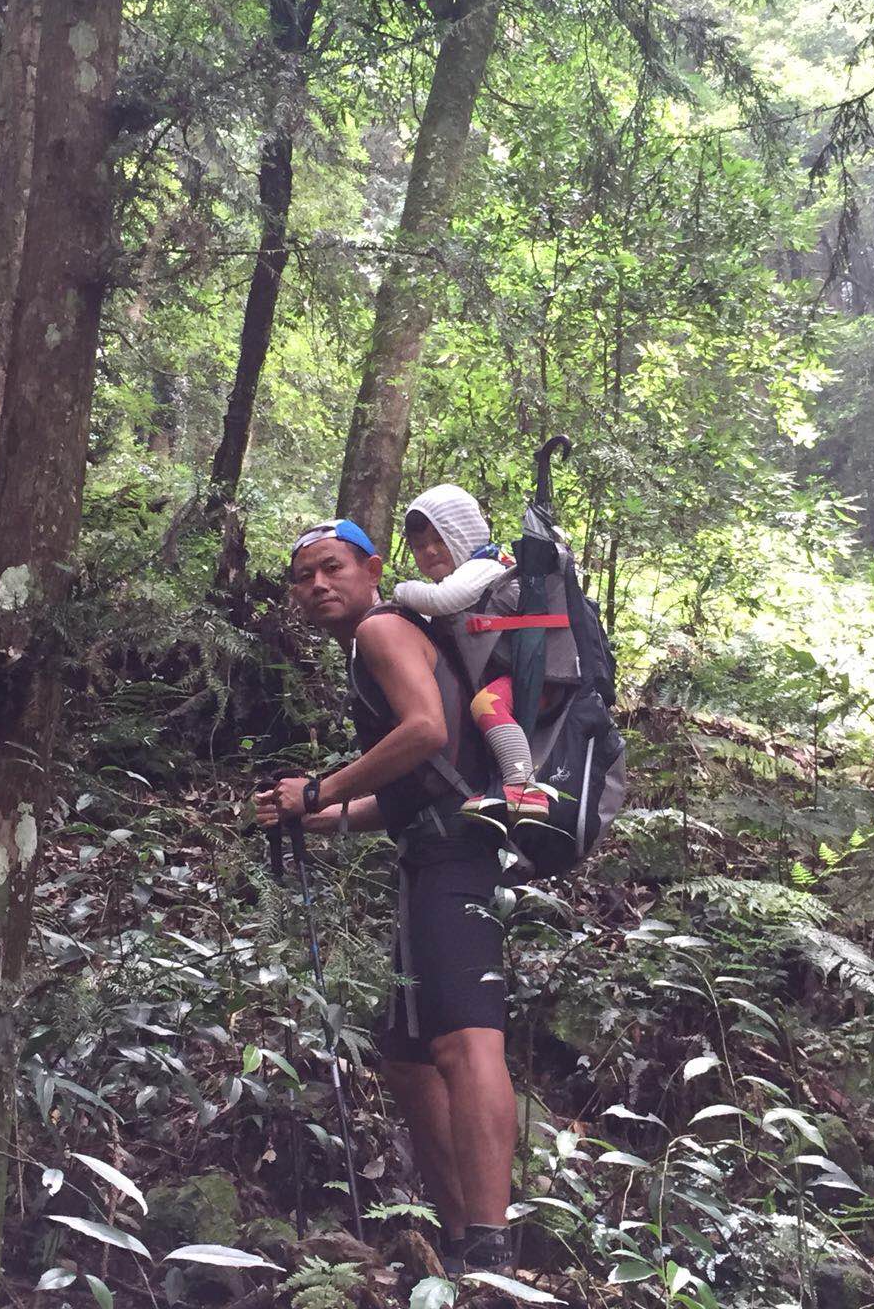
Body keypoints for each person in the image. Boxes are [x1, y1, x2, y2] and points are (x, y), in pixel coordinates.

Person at [254, 518, 517, 1276]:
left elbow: (428, 731)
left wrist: (321, 787)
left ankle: (490, 1250)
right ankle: (460, 1233)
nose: (317, 586)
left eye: (331, 568)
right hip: (425, 852)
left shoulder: (381, 630)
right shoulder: (374, 644)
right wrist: (315, 812)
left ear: (372, 569)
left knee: (465, 1041)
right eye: (303, 578)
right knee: (406, 1059)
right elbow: (404, 792)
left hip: (455, 854)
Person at [394, 484, 548, 821]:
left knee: (486, 705)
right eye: (420, 546)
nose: (430, 551)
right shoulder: (464, 579)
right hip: (515, 672)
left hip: (541, 677)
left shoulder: (485, 567)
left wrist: (399, 590)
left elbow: (442, 600)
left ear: (463, 535)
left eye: (440, 540)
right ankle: (498, 792)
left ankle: (525, 790)